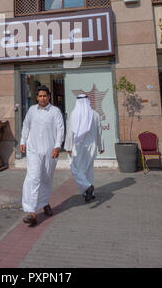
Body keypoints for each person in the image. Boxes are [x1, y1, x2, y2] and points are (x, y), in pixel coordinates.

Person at [20, 85, 64, 227]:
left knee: (46, 178)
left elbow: (60, 129)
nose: (43, 98)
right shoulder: (32, 110)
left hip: (50, 150)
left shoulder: (55, 111)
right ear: (37, 97)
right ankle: (32, 212)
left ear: (49, 97)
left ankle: (44, 203)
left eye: (45, 96)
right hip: (33, 149)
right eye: (40, 96)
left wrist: (57, 146)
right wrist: (22, 141)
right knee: (33, 177)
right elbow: (26, 125)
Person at [64, 94, 104, 203]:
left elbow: (70, 132)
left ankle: (87, 187)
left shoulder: (74, 114)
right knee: (88, 169)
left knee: (76, 168)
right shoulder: (95, 114)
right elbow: (99, 131)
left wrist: (68, 146)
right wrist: (101, 145)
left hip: (78, 146)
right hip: (92, 146)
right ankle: (90, 194)